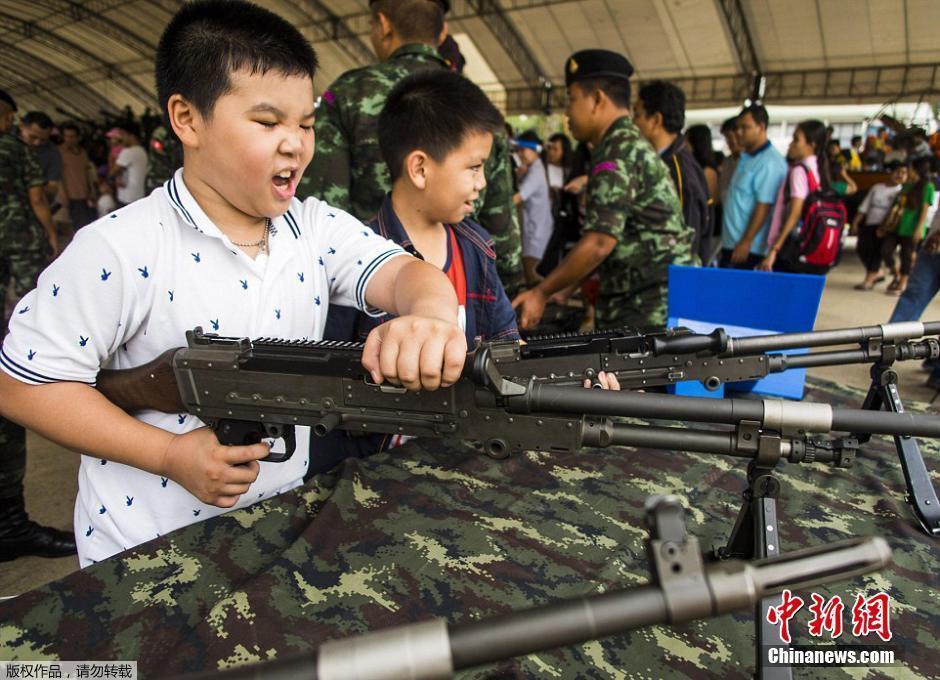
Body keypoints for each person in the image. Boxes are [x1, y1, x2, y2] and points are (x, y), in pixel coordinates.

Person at [0, 0, 467, 568]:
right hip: (144, 559)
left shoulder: (314, 227)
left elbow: (407, 273)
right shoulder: (120, 247)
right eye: (268, 123)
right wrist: (169, 454)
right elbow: (24, 384)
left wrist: (431, 316)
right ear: (187, 118)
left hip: (277, 536)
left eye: (307, 124)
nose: (295, 143)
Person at [302, 0, 522, 295]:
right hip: (459, 291)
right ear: (442, 32)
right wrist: (507, 291)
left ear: (383, 25)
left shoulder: (349, 93)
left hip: (364, 290)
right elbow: (501, 224)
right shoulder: (475, 107)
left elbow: (322, 208)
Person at [512, 49, 694, 331]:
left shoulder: (616, 151)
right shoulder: (624, 143)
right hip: (649, 297)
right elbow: (617, 237)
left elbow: (600, 242)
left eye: (571, 100)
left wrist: (541, 293)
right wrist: (567, 285)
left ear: (597, 99)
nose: (567, 113)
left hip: (646, 305)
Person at [0, 88, 71, 562]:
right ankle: (9, 523)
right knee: (21, 361)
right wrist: (50, 235)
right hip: (18, 251)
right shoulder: (13, 150)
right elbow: (36, 198)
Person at [633, 80, 710, 263]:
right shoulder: (662, 162)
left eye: (637, 115)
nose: (633, 124)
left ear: (655, 120)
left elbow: (687, 239)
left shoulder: (677, 171)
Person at [758, 119, 832, 274]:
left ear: (811, 145)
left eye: (796, 140)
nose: (791, 144)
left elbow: (795, 212)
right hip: (812, 245)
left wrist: (774, 249)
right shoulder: (818, 169)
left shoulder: (799, 171)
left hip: (793, 246)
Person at [719, 104, 788, 269]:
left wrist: (746, 241)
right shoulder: (747, 157)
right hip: (731, 243)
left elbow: (763, 206)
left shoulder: (770, 162)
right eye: (738, 128)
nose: (739, 132)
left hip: (748, 249)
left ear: (761, 127)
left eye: (745, 127)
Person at [887, 209, 940, 389]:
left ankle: (937, 368)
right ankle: (888, 344)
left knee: (914, 295)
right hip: (934, 246)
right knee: (914, 295)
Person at [881, 157, 936, 296]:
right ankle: (896, 274)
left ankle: (902, 282)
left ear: (916, 169)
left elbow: (925, 210)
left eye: (910, 169)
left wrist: (919, 228)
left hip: (912, 227)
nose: (908, 171)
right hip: (897, 226)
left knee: (906, 255)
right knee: (885, 250)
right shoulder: (907, 185)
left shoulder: (927, 187)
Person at [851, 161, 907, 290]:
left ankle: (869, 279)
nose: (900, 175)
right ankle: (878, 272)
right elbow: (864, 206)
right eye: (897, 172)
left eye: (904, 173)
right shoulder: (877, 187)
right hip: (870, 222)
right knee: (862, 249)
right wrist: (856, 221)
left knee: (877, 252)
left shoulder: (902, 192)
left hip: (887, 227)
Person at [513, 130, 554, 285]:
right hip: (534, 230)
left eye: (523, 150)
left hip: (537, 233)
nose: (520, 154)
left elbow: (518, 197)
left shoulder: (536, 172)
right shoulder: (533, 168)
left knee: (532, 274)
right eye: (518, 150)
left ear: (535, 150)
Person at [58, 122, 98, 231]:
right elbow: (58, 176)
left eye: (72, 136)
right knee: (75, 225)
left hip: (84, 195)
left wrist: (91, 190)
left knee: (85, 224)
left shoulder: (82, 152)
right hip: (70, 196)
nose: (69, 139)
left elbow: (87, 172)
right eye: (67, 136)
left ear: (78, 137)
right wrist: (63, 194)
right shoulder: (59, 152)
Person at [18, 111, 62, 207]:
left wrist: (34, 188)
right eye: (32, 137)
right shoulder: (5, 141)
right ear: (21, 126)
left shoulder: (51, 152)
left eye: (43, 140)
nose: (37, 143)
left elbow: (53, 187)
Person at [109, 122, 149, 207]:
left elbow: (112, 173)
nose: (121, 138)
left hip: (126, 198)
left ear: (131, 136)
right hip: (138, 196)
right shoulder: (142, 151)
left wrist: (111, 153)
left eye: (123, 135)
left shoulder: (128, 152)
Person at [717, 116, 740, 205]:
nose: (728, 142)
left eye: (730, 137)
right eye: (726, 138)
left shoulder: (751, 163)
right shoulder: (727, 161)